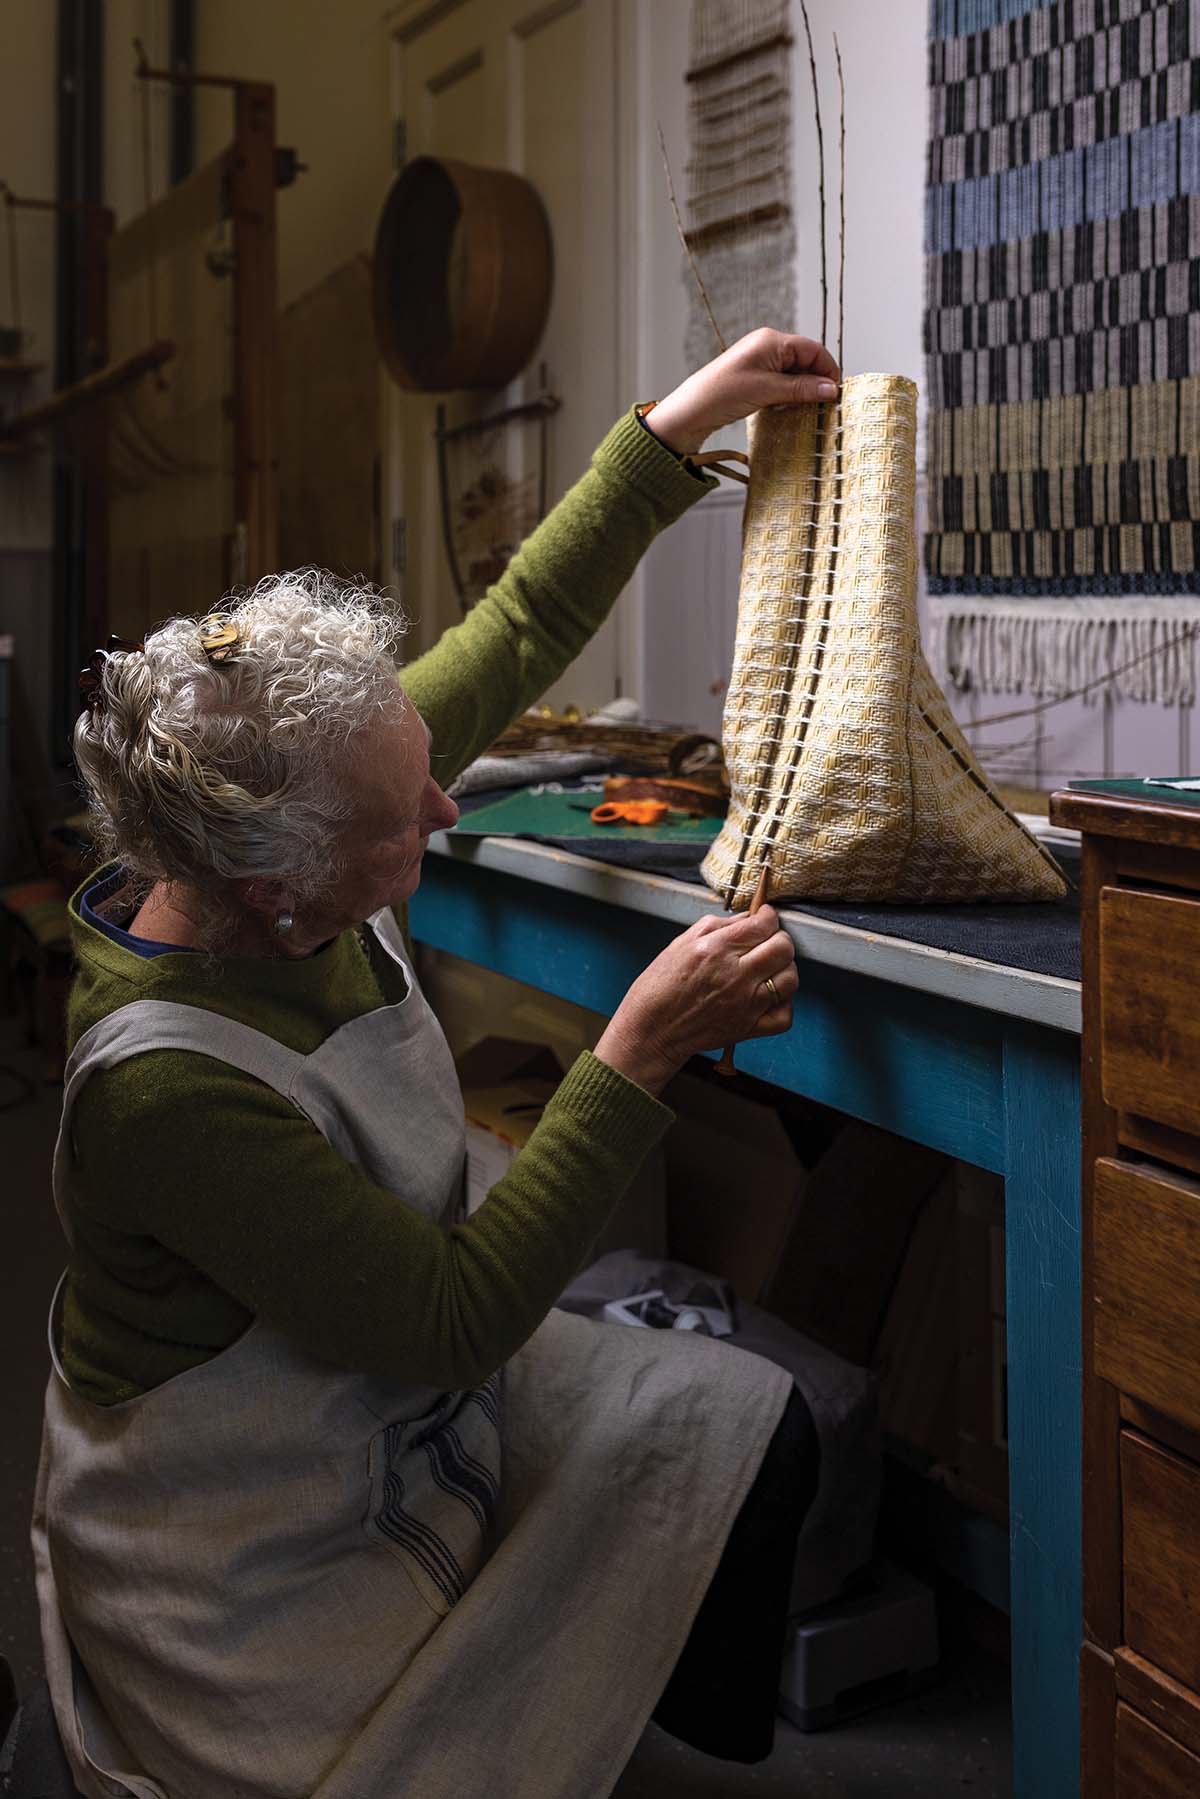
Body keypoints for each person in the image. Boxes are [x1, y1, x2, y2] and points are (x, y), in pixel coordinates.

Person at [34, 329, 839, 1799]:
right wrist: (638, 1051)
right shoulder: (164, 1086)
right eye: (410, 818)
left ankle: (602, 1718)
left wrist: (680, 423)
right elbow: (452, 1324)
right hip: (233, 1531)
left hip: (366, 1386)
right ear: (277, 887)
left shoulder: (309, 792)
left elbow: (521, 625)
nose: (448, 810)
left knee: (752, 1432)